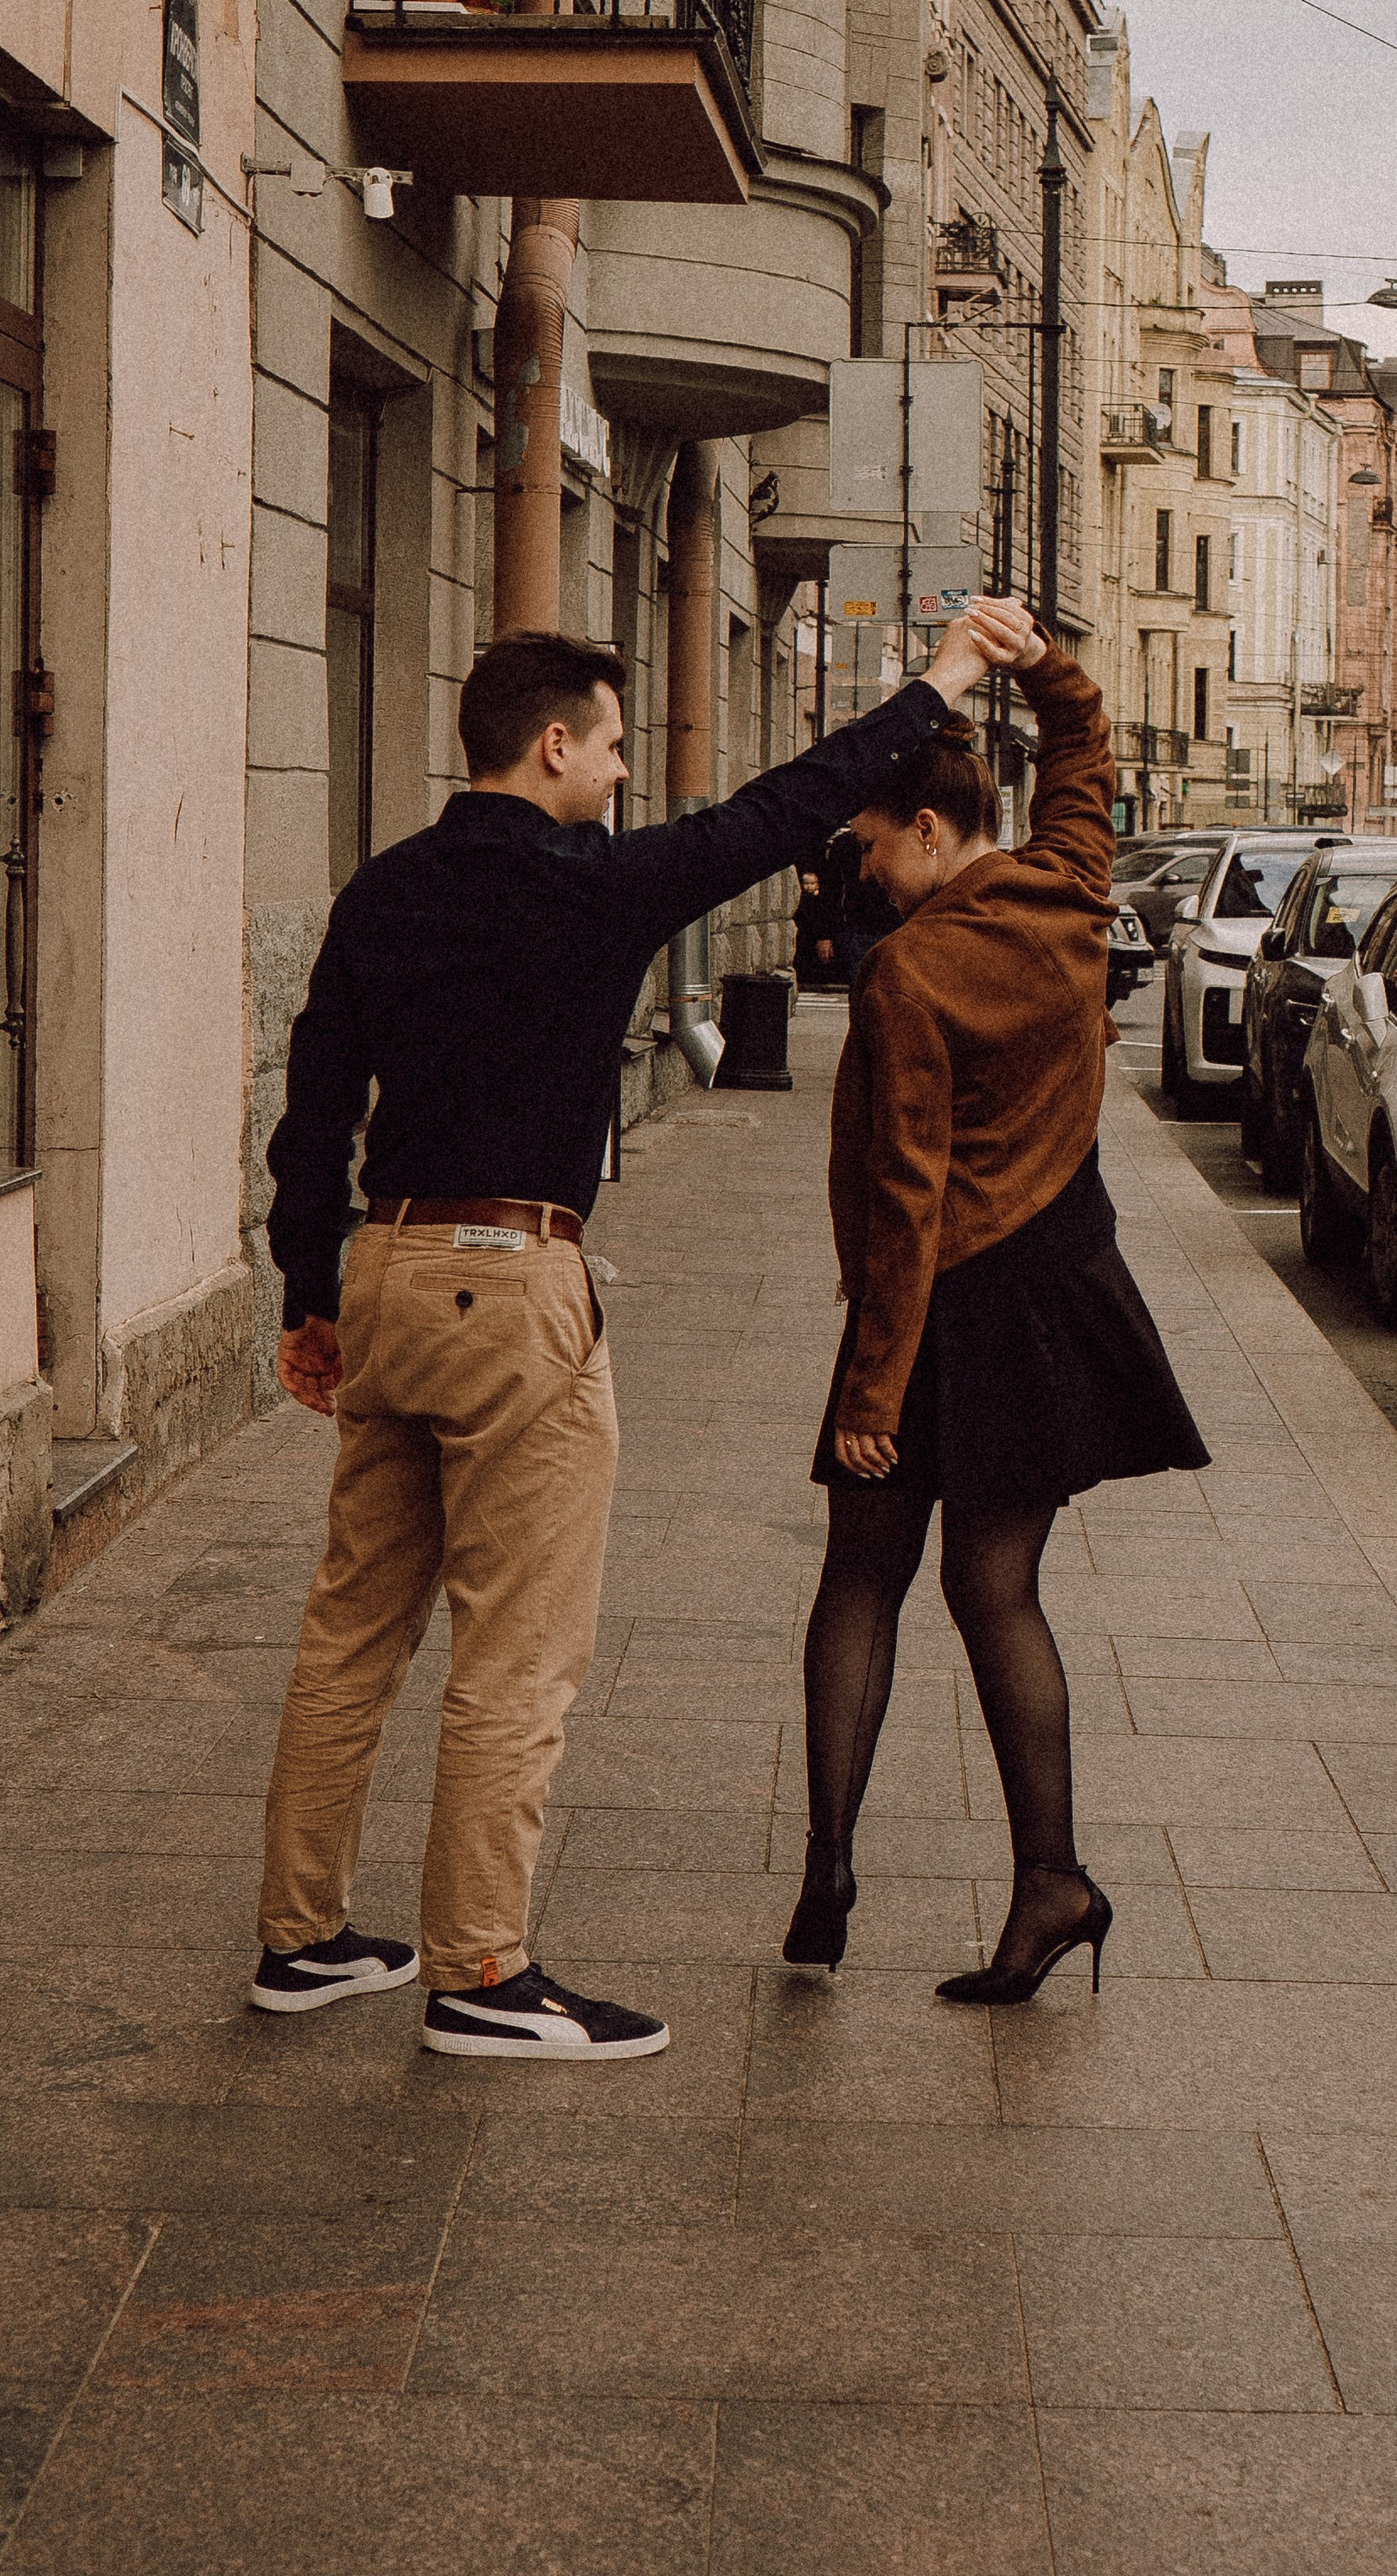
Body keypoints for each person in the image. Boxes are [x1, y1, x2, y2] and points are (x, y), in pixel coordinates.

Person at [253, 594, 1036, 2062]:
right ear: (552, 747)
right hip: (513, 1281)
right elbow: (785, 807)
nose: (622, 775)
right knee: (517, 1651)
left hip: (390, 1269)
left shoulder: (379, 892)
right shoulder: (589, 889)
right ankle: (481, 1972)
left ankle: (301, 1939)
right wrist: (937, 680)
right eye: (610, 749)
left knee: (354, 1623)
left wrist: (311, 1292)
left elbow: (311, 1114)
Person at [783, 626, 1208, 2000]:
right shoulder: (1070, 890)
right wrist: (1047, 670)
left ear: (925, 828)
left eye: (868, 847)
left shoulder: (909, 972)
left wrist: (869, 1394)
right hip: (1059, 1284)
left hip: (941, 1303)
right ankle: (1053, 1881)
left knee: (864, 1573)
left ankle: (830, 1868)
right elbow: (1086, 760)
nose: (861, 870)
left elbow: (904, 1194)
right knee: (997, 1586)